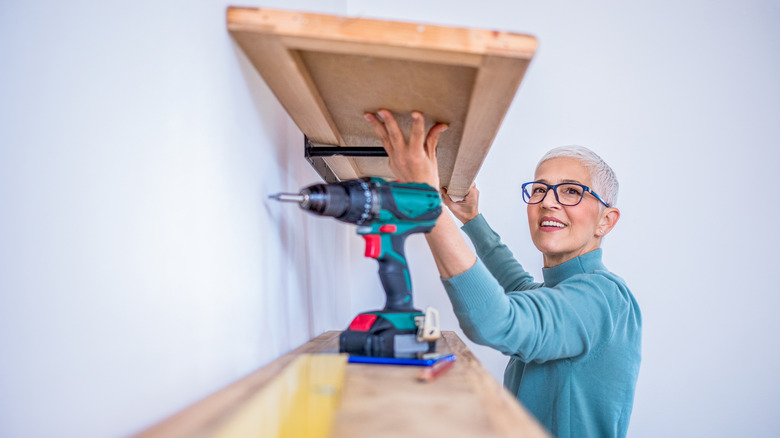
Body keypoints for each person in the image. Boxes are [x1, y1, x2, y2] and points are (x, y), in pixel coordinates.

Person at [364, 109, 642, 438]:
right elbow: (518, 285)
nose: (548, 202)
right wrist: (471, 219)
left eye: (571, 191)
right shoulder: (567, 291)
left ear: (606, 221)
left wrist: (428, 204)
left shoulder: (604, 298)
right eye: (539, 189)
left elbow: (497, 320)